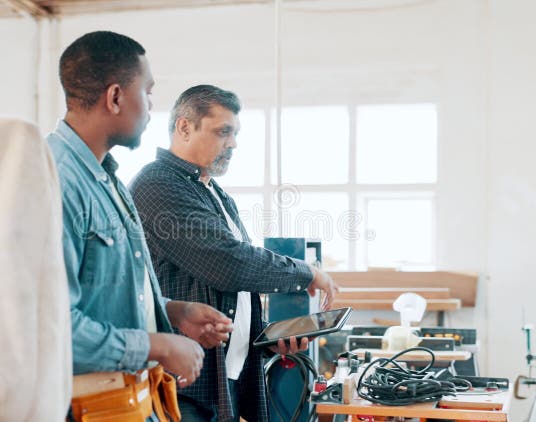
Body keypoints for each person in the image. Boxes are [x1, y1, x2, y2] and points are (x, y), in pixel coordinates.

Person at [47, 33, 233, 421]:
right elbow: (54, 328)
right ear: (115, 97)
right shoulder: (58, 182)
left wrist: (172, 311)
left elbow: (102, 293)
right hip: (89, 407)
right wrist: (157, 346)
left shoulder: (107, 179)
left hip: (131, 401)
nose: (150, 107)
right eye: (146, 92)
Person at [130, 84, 338, 421]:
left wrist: (266, 337)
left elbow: (230, 291)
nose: (233, 143)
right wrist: (306, 273)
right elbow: (228, 262)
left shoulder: (214, 193)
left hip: (224, 379)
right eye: (223, 131)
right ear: (185, 127)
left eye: (235, 133)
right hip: (184, 384)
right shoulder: (158, 184)